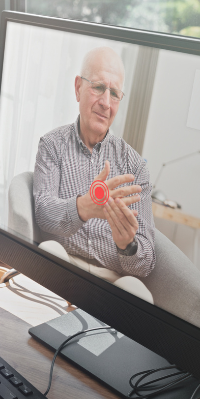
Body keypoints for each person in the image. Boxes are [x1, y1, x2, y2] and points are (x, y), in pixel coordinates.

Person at [32, 47, 156, 278]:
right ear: (78, 88)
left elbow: (147, 262)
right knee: (48, 253)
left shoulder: (135, 167)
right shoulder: (51, 145)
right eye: (98, 87)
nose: (106, 103)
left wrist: (127, 245)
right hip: (61, 264)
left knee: (139, 296)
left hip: (110, 280)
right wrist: (83, 208)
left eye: (115, 94)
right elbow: (43, 213)